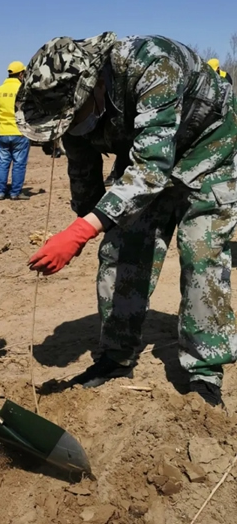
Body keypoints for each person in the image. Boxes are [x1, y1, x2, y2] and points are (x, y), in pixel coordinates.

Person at [16, 33, 237, 407]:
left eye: (72, 119)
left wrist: (82, 229)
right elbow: (84, 177)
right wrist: (84, 228)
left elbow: (152, 170)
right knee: (120, 251)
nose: (71, 129)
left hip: (208, 152)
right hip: (144, 158)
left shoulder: (153, 62)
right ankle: (115, 357)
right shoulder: (75, 113)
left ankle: (205, 371)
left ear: (96, 86)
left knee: (202, 256)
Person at [0, 61, 31, 200]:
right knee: (19, 164)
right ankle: (15, 193)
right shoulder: (24, 90)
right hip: (20, 132)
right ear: (21, 74)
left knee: (3, 163)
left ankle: (0, 192)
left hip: (3, 133)